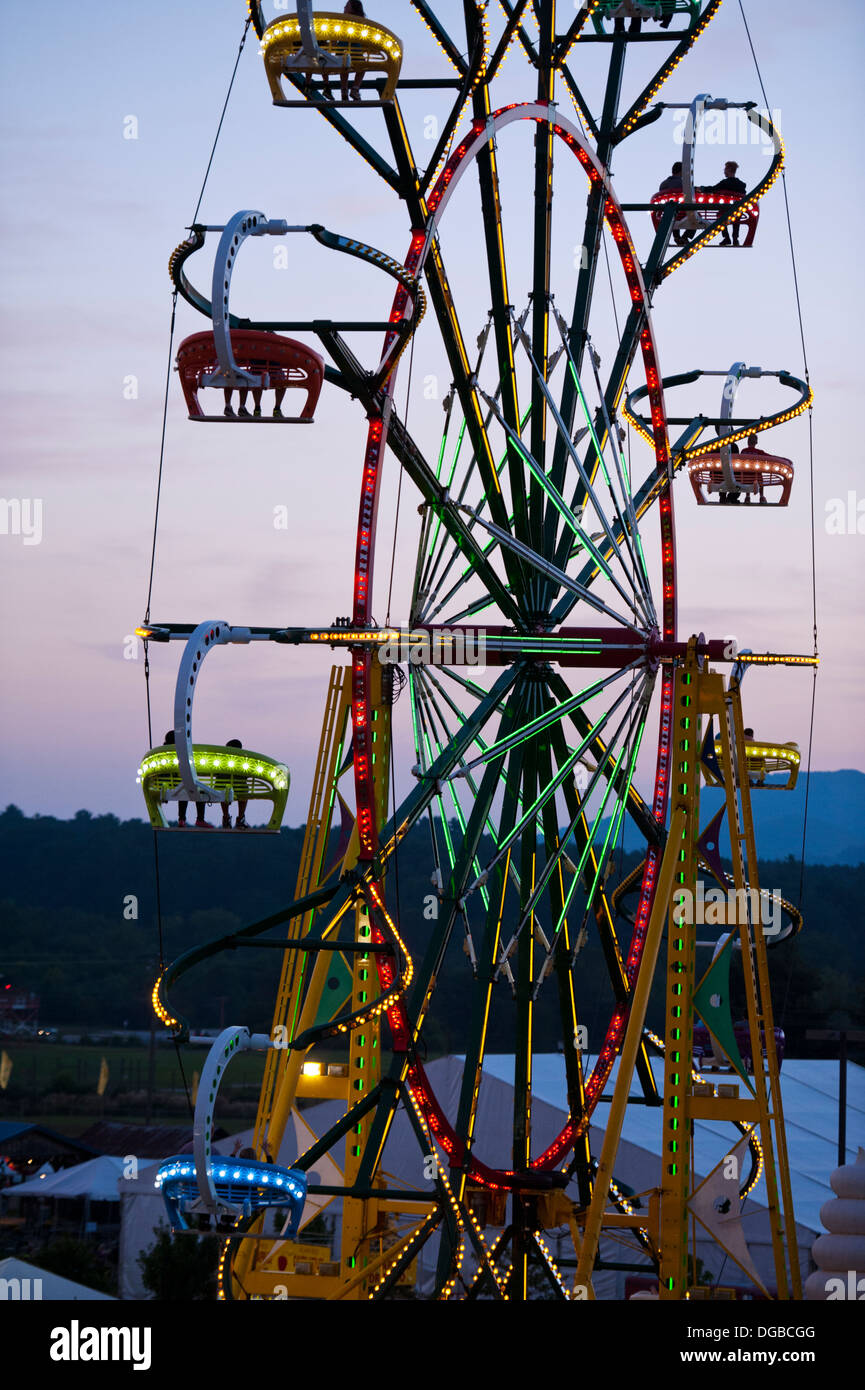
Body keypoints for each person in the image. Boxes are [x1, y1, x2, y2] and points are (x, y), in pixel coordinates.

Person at [165, 730, 212, 829]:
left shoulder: (163, 753)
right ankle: (200, 819)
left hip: (167, 785)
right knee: (198, 789)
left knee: (183, 789)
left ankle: (181, 819)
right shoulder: (182, 752)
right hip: (181, 784)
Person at [713, 161, 747, 246]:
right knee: (737, 214)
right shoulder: (741, 185)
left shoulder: (724, 183)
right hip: (737, 210)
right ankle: (735, 238)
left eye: (725, 169)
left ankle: (726, 238)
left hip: (725, 210)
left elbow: (713, 189)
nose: (724, 171)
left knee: (720, 216)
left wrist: (701, 189)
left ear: (728, 169)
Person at [340, 1, 366, 101]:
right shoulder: (361, 22)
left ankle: (344, 89)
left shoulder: (342, 21)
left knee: (344, 67)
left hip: (345, 50)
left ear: (353, 9)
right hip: (354, 51)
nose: (344, 7)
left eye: (347, 6)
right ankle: (354, 88)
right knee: (361, 66)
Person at [224, 738, 249, 829]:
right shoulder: (244, 762)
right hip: (241, 790)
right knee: (243, 791)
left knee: (223, 791)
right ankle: (241, 818)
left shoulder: (222, 762)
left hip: (224, 790)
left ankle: (226, 817)